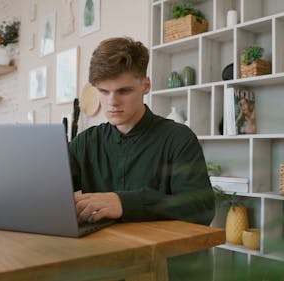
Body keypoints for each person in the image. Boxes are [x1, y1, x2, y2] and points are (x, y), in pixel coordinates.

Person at [68, 37, 215, 279]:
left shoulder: (179, 138)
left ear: (145, 85)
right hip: (105, 266)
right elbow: (53, 196)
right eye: (103, 91)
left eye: (124, 91)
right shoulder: (84, 143)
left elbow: (201, 207)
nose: (112, 101)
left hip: (166, 270)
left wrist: (124, 203)